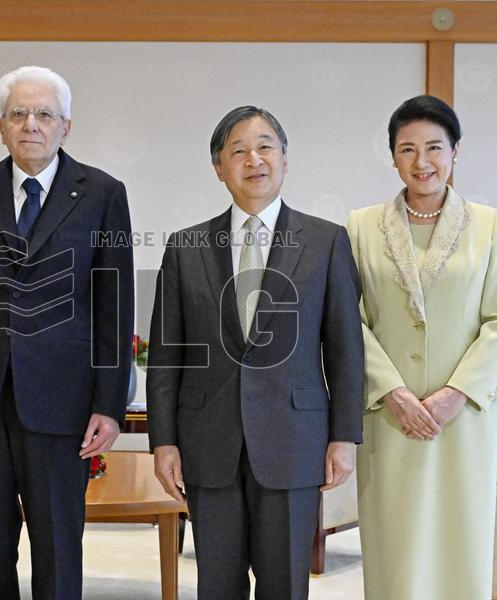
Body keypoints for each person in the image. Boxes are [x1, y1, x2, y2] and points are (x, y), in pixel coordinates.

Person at [0, 65, 134, 600]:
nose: (30, 124)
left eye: (44, 114)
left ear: (66, 126)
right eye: (19, 114)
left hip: (64, 403)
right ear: (0, 126)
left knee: (59, 548)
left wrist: (110, 405)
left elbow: (114, 305)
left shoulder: (103, 193)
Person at [147, 106, 364, 600]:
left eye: (265, 146)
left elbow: (346, 348)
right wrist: (164, 441)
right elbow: (166, 355)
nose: (254, 159)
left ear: (285, 159)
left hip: (294, 440)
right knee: (217, 585)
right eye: (238, 150)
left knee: (285, 584)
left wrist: (344, 436)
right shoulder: (186, 248)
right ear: (219, 168)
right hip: (207, 442)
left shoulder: (326, 242)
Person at [346, 95, 497, 600]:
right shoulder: (360, 227)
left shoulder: (490, 224)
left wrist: (453, 395)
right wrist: (394, 392)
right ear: (393, 156)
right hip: (388, 414)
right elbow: (348, 320)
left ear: (455, 151)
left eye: (434, 148)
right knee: (395, 544)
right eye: (407, 149)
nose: (422, 163)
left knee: (459, 540)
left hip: (463, 416)